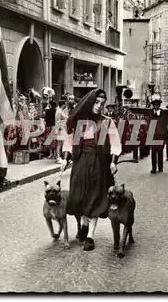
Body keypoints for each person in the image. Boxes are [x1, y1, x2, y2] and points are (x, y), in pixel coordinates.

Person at [60, 89, 122, 251]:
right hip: (80, 163)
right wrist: (66, 158)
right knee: (79, 197)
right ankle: (84, 225)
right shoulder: (79, 122)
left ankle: (90, 237)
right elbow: (68, 141)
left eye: (102, 104)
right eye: (96, 103)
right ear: (89, 102)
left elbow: (116, 144)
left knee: (94, 198)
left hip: (99, 163)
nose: (99, 106)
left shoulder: (107, 122)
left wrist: (113, 162)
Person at [149, 94, 165, 173]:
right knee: (153, 152)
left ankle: (160, 168)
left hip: (161, 135)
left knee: (160, 152)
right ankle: (154, 168)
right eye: (154, 105)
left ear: (159, 105)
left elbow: (164, 123)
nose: (156, 106)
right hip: (153, 135)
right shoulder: (150, 112)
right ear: (153, 105)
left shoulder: (163, 113)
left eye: (157, 105)